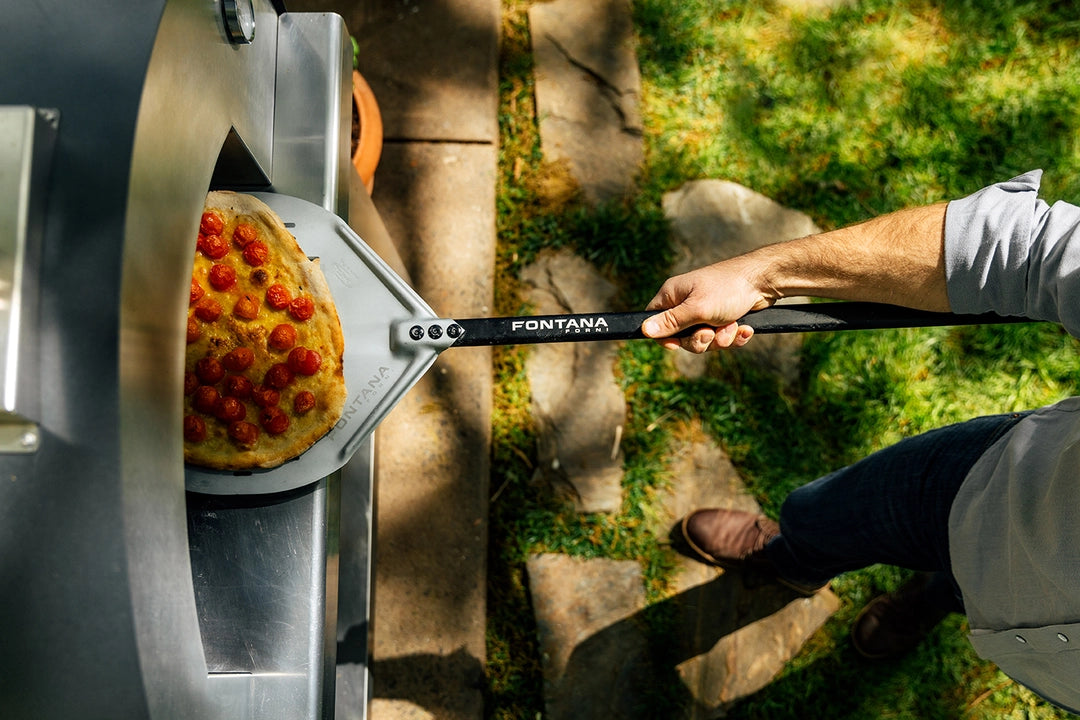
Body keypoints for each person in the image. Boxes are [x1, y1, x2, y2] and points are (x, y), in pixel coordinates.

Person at [641, 170, 1080, 714]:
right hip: (996, 484)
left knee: (951, 588)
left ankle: (925, 600)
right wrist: (763, 275)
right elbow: (1023, 247)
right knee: (832, 512)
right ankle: (792, 556)